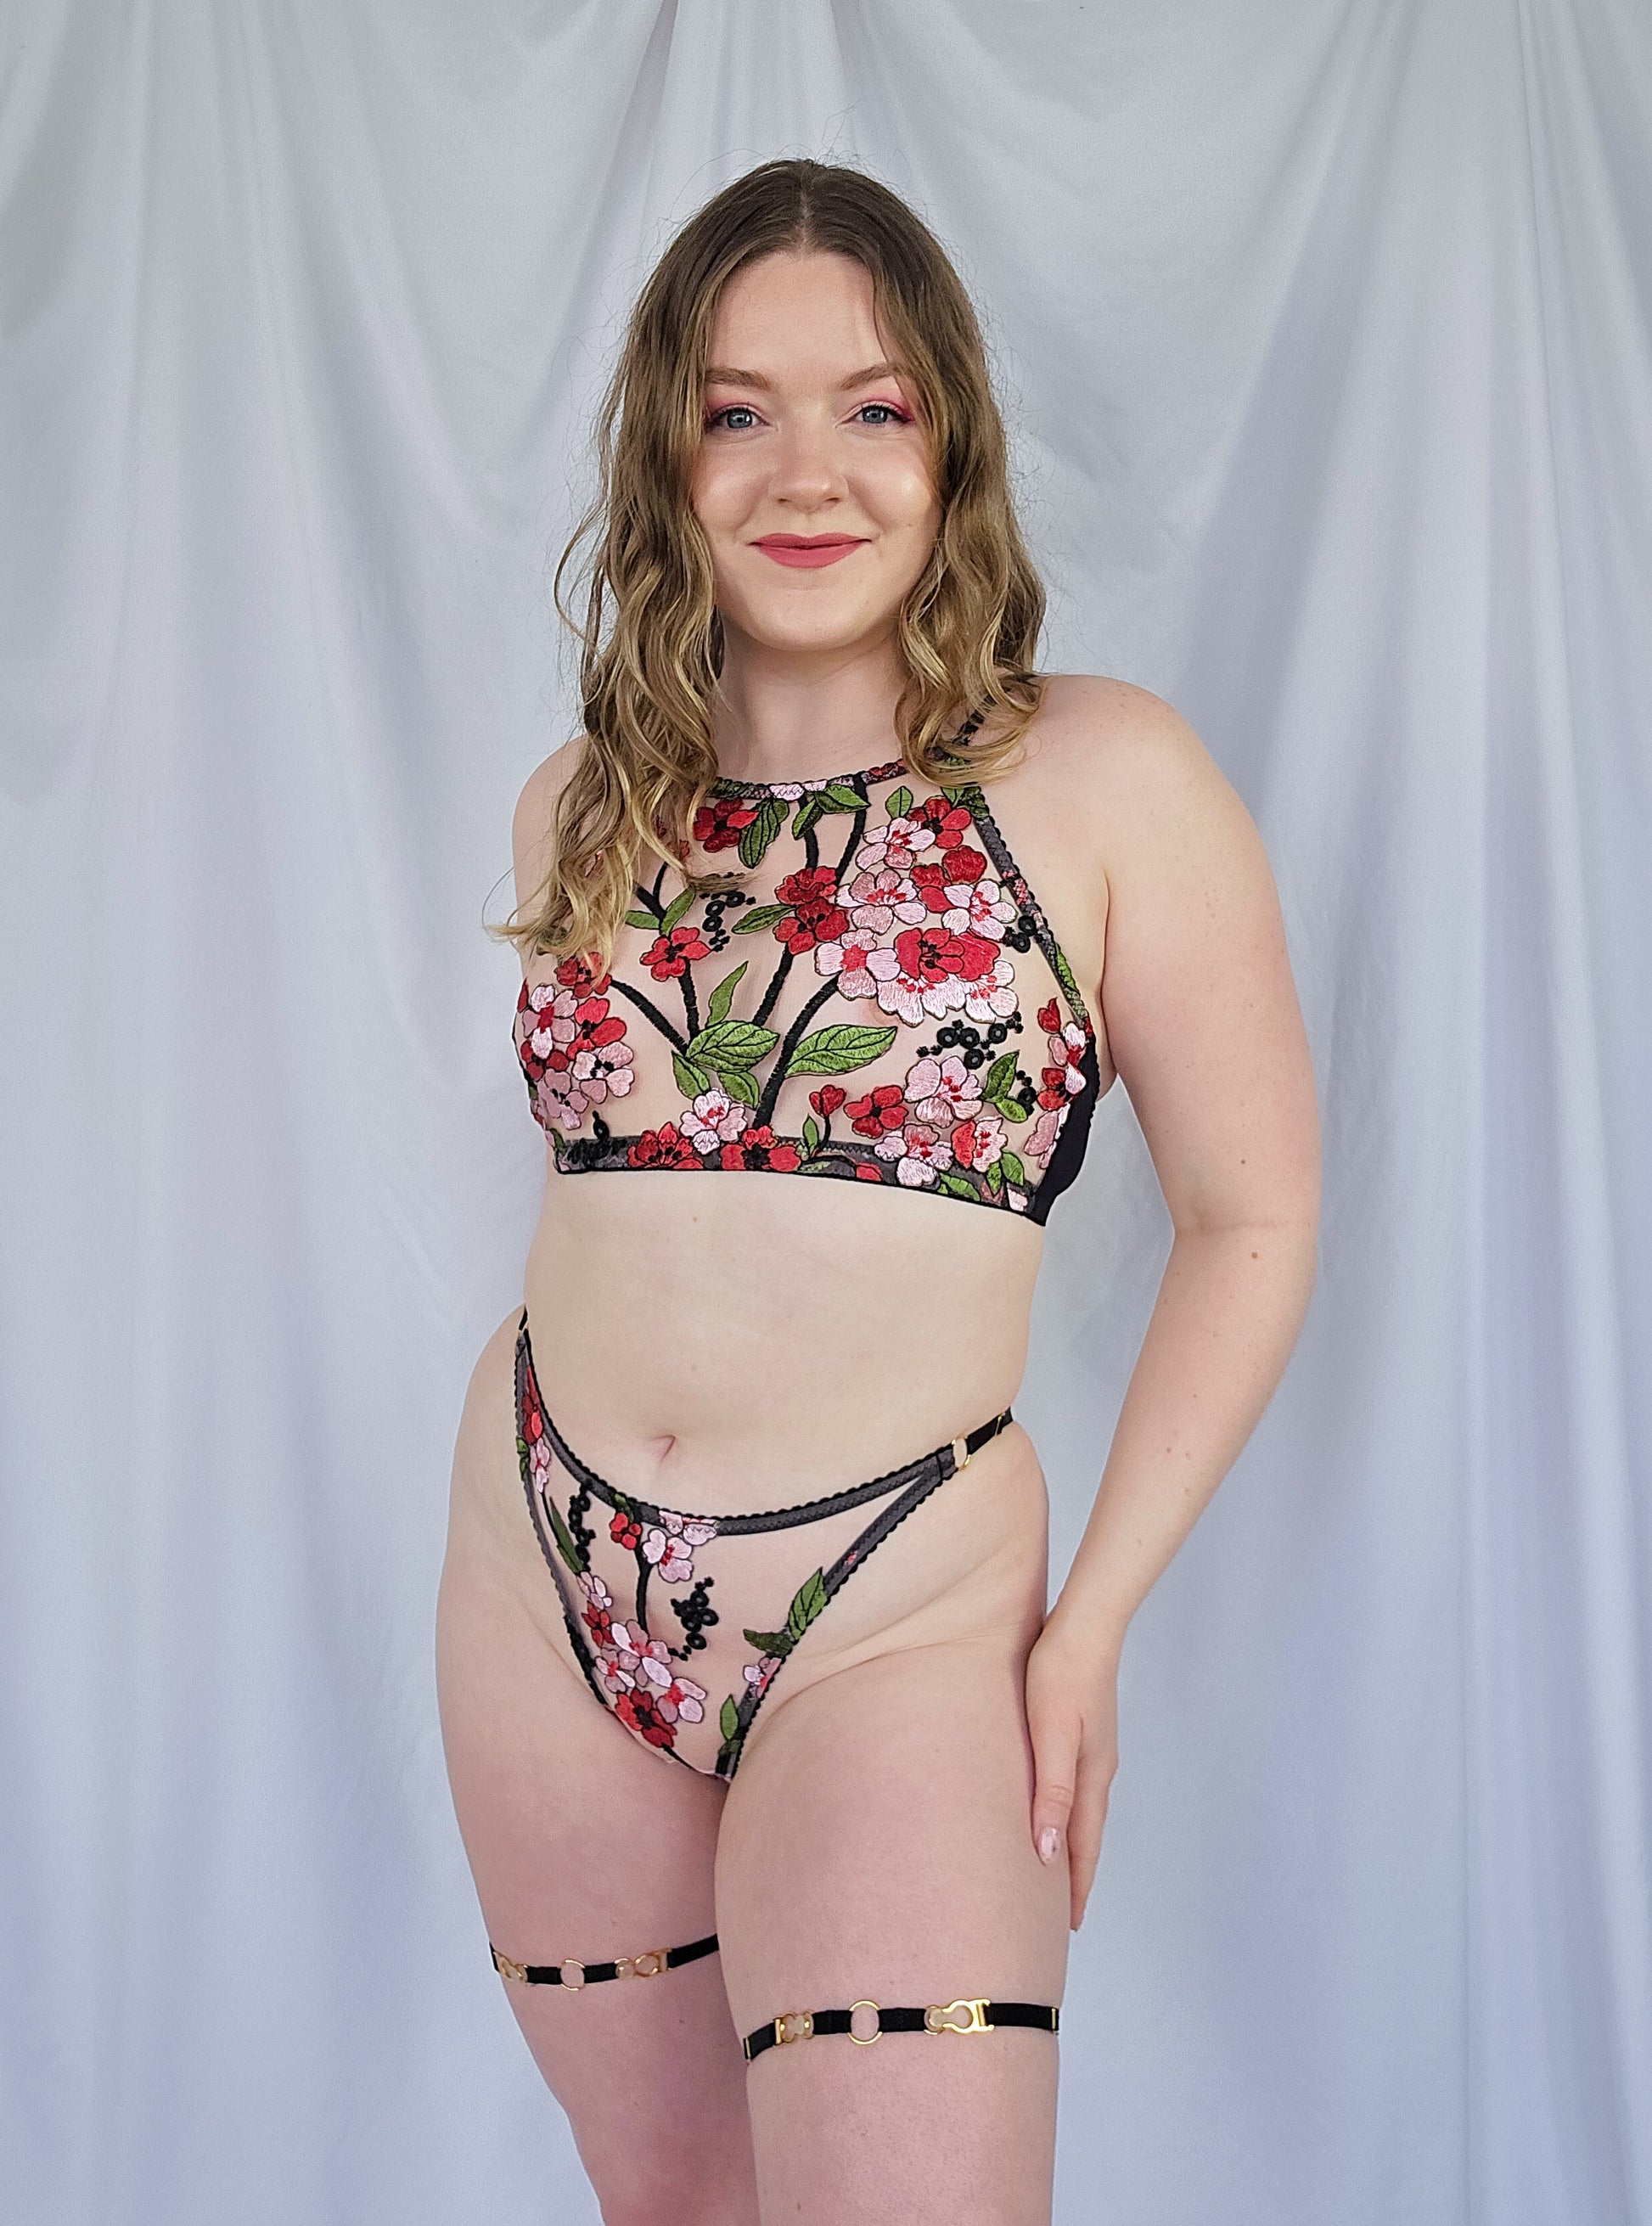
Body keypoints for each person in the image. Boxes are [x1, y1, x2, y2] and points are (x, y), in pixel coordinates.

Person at [434, 157, 1319, 2226]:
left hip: (900, 1604)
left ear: (955, 444)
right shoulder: (585, 801)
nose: (805, 470)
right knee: (670, 2206)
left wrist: (1086, 1625)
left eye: (877, 404)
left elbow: (1256, 1216)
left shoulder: (1106, 779)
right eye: (738, 409)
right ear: (668, 454)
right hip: (544, 1575)